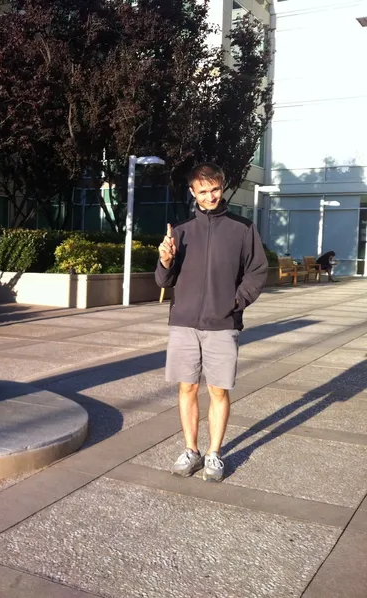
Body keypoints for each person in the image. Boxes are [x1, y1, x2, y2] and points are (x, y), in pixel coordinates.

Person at [156, 163, 268, 482]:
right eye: (203, 191)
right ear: (193, 192)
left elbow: (257, 271)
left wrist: (234, 302)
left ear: (223, 186)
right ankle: (191, 450)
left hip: (222, 324)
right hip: (184, 323)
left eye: (215, 189)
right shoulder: (181, 231)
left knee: (218, 390)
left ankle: (214, 453)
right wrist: (165, 260)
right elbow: (164, 280)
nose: (210, 196)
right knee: (187, 387)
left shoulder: (242, 229)